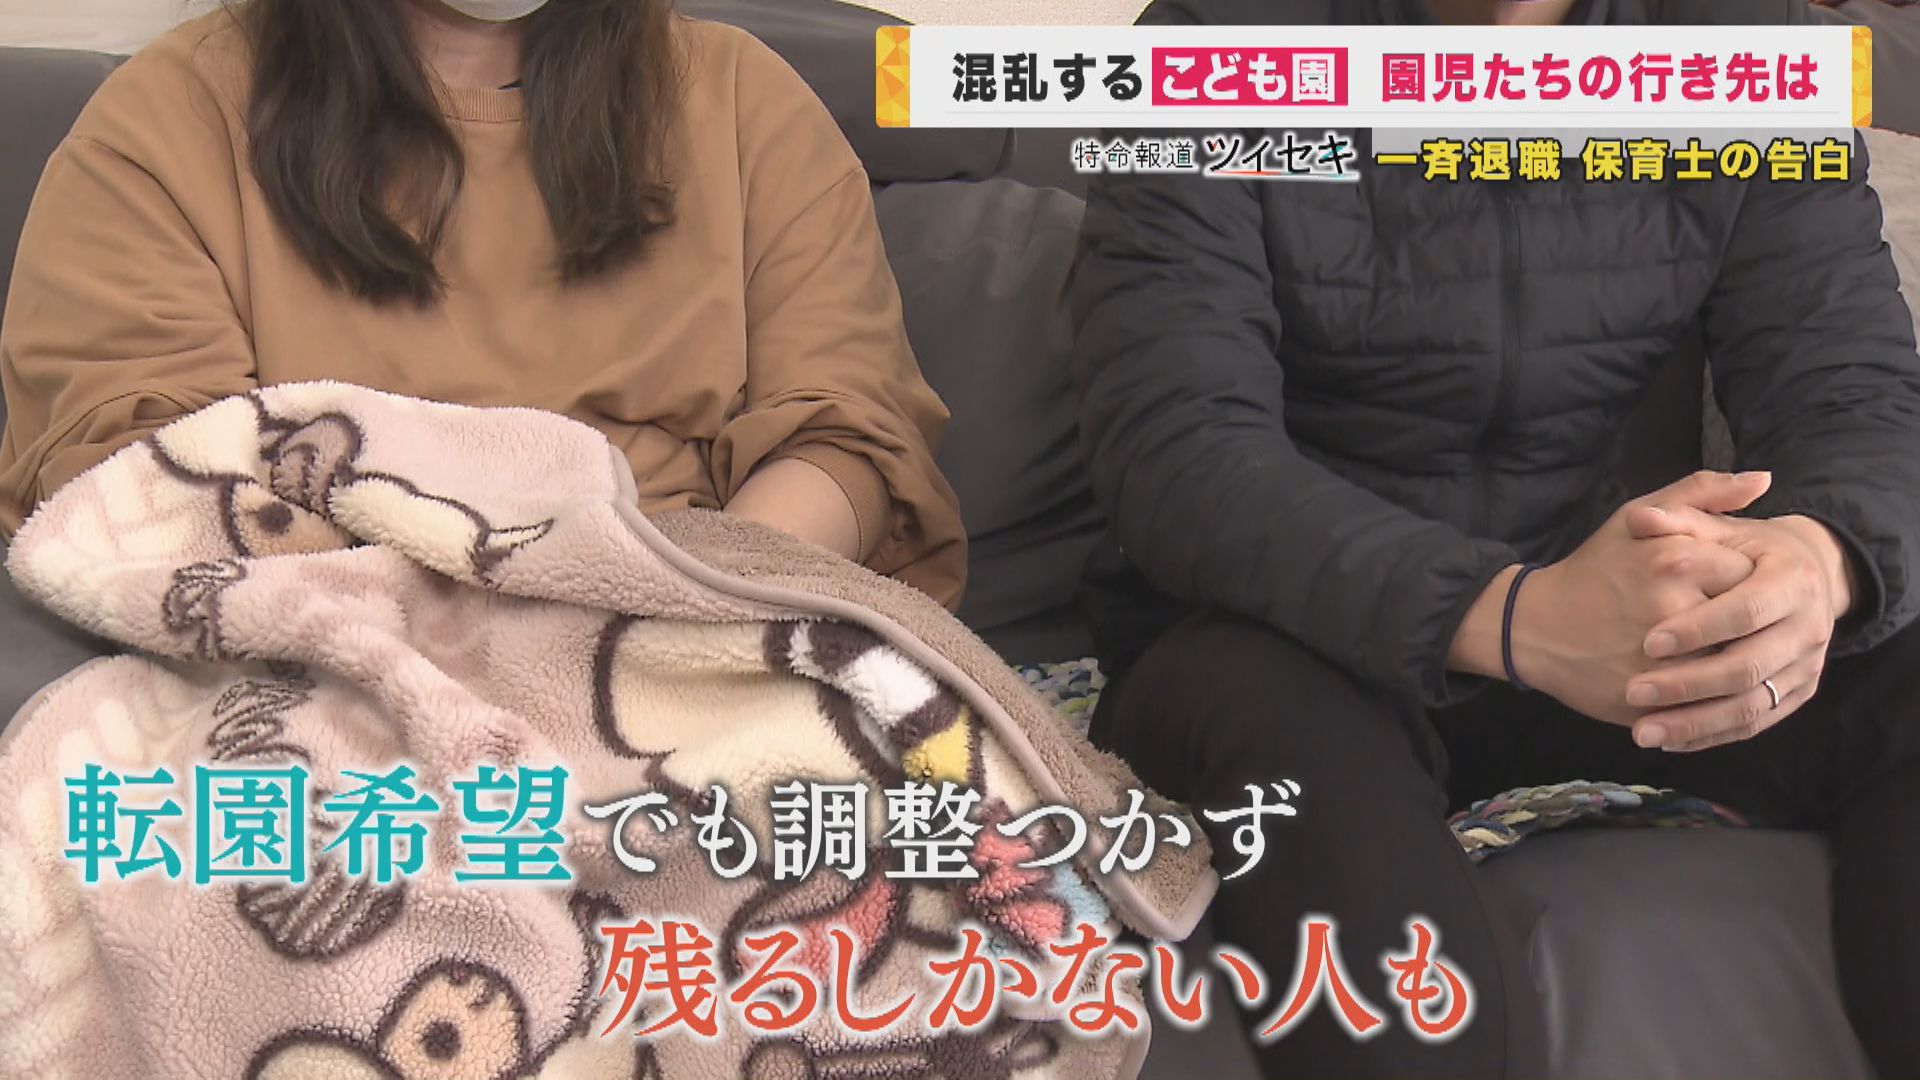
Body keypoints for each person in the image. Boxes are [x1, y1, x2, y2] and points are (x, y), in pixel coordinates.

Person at [1071, 0, 1920, 1076]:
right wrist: (1513, 614)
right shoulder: (1217, 41)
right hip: (1286, 638)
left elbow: (1854, 395)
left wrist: (1818, 560)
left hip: (1605, 628)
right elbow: (1178, 453)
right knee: (1298, 756)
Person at [0, 0, 965, 608]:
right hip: (317, 651)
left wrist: (684, 613)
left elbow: (846, 439)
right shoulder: (161, 124)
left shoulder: (746, 103)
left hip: (694, 630)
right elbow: (145, 489)